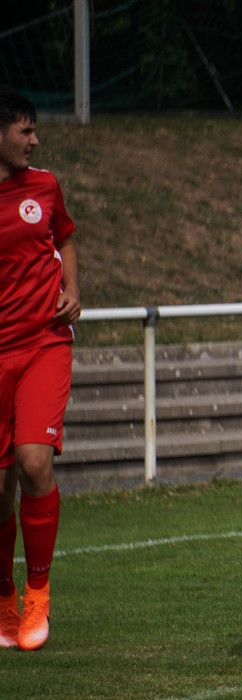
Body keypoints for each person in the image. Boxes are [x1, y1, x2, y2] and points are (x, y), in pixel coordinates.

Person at [0, 88, 81, 651]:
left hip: (45, 342)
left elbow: (65, 237)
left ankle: (38, 594)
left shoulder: (45, 185)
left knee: (33, 461)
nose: (35, 140)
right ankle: (3, 597)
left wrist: (72, 287)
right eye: (25, 131)